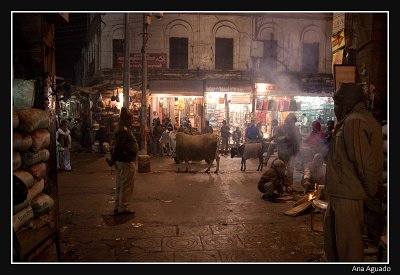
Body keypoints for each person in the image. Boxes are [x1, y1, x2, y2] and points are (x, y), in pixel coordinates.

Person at [323, 83, 384, 262]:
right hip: (340, 193)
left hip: (349, 195)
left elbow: (363, 163)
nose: (334, 109)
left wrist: (372, 191)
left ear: (346, 103)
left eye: (336, 104)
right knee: (334, 244)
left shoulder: (355, 121)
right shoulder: (350, 120)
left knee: (348, 247)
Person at [108, 107, 138, 215]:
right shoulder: (123, 130)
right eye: (131, 119)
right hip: (125, 162)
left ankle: (118, 206)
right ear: (126, 119)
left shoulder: (123, 128)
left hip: (123, 161)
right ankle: (123, 208)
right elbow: (119, 146)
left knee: (121, 185)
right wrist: (113, 159)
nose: (132, 121)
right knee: (126, 186)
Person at [267, 113, 302, 185]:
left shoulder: (295, 129)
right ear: (288, 121)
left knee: (290, 170)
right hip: (283, 152)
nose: (293, 124)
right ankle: (281, 185)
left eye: (294, 122)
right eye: (292, 122)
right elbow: (276, 139)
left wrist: (298, 149)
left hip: (292, 152)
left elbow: (299, 139)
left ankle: (289, 186)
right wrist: (284, 137)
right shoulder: (280, 128)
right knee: (281, 169)